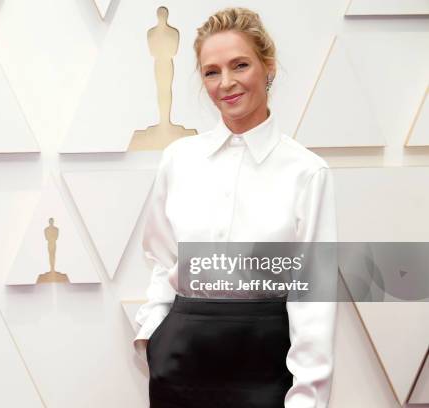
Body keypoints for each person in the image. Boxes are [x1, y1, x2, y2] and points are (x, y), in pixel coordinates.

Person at [133, 7, 338, 408]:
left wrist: (308, 399)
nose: (225, 83)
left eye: (239, 65)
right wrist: (151, 332)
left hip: (267, 364)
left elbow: (313, 297)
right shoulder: (178, 159)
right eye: (211, 71)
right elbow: (163, 258)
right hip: (180, 362)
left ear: (268, 67)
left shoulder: (307, 172)